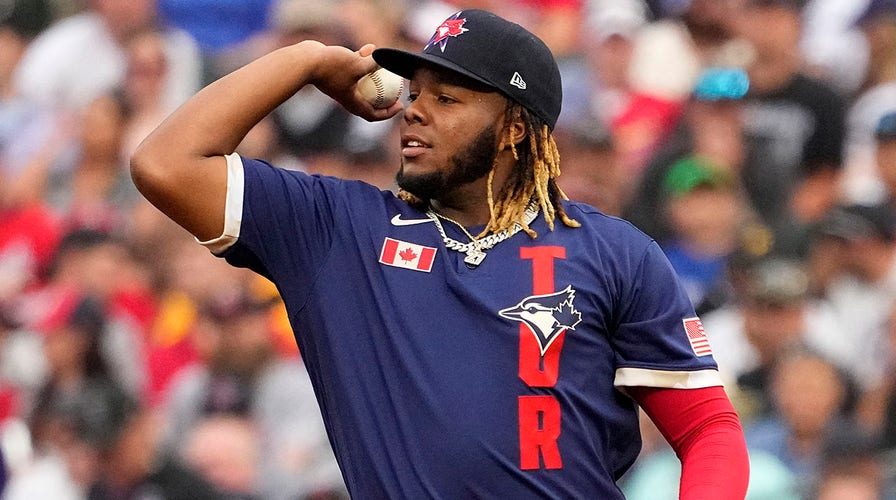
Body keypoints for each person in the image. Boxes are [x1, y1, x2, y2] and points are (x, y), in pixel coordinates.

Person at [131, 9, 750, 498]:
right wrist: (306, 62)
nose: (413, 112)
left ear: (513, 127)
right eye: (415, 91)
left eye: (447, 99)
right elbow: (165, 164)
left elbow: (708, 430)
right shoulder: (336, 231)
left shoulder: (613, 252)